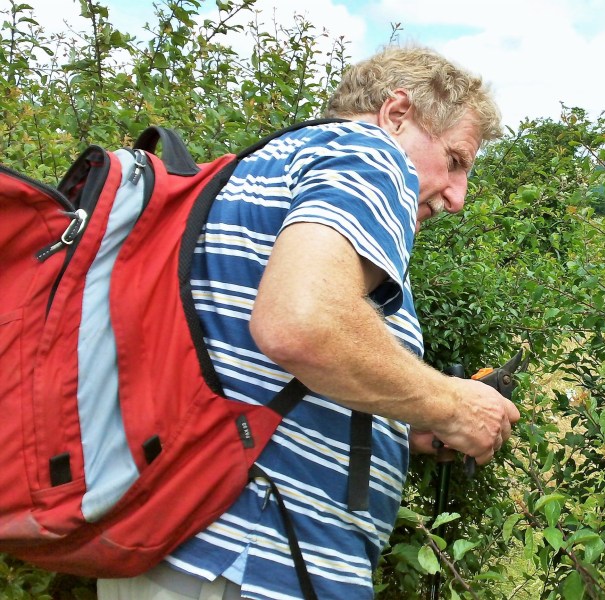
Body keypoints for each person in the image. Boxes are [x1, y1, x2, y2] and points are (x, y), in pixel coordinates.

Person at [97, 44, 520, 600]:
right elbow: (300, 324)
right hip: (247, 557)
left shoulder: (266, 167)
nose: (459, 196)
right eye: (457, 160)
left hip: (183, 548)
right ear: (396, 115)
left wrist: (405, 417)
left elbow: (257, 358)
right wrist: (453, 404)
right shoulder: (371, 155)